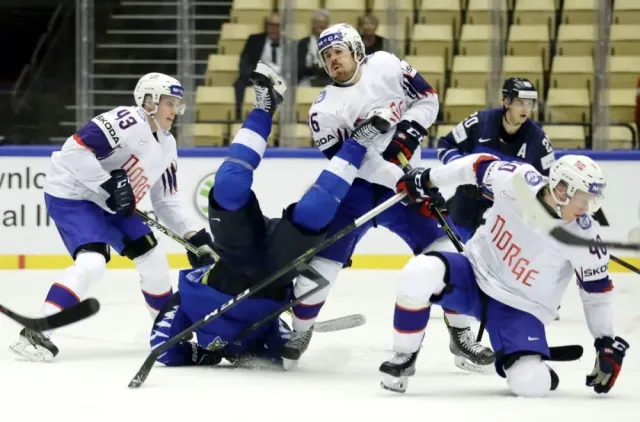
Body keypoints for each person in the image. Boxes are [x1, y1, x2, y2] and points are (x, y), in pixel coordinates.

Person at [149, 61, 391, 368]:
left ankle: (265, 106)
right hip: (275, 271)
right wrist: (251, 353)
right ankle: (358, 141)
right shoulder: (262, 333)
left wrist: (200, 355)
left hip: (232, 256)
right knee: (316, 210)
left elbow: (161, 347)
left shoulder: (185, 303)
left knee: (228, 185)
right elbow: (285, 357)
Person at [286, 23, 495, 372]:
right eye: (325, 56)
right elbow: (350, 162)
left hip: (406, 183)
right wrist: (402, 178)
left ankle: (461, 335)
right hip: (358, 189)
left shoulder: (387, 65)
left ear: (356, 50)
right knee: (320, 264)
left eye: (337, 51)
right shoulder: (323, 110)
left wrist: (410, 133)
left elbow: (428, 98)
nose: (332, 60)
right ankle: (299, 332)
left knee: (445, 256)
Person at [382, 152, 630, 396]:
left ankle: (530, 358)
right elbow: (476, 164)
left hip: (520, 309)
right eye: (583, 199)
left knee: (531, 385)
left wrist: (605, 341)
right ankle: (404, 355)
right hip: (474, 274)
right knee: (419, 272)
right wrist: (428, 179)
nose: (587, 208)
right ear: (561, 190)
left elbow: (596, 292)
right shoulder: (518, 181)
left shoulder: (583, 236)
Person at [10, 73, 215, 362]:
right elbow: (74, 150)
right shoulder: (127, 120)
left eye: (177, 104)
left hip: (111, 204)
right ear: (149, 101)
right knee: (93, 263)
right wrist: (107, 184)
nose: (175, 110)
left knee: (153, 255)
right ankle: (38, 331)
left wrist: (193, 236)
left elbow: (166, 200)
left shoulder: (167, 145)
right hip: (73, 195)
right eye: (170, 102)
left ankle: (165, 332)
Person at [437, 78, 556, 242]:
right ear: (506, 102)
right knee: (455, 244)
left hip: (508, 209)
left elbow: (549, 183)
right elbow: (446, 145)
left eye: (529, 103)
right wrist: (461, 173)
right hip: (468, 198)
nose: (526, 109)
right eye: (520, 102)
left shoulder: (539, 140)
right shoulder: (480, 122)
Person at [233, 12, 284, 119]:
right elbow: (245, 62)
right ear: (266, 26)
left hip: (280, 78)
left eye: (277, 26)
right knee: (240, 83)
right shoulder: (254, 40)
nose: (274, 29)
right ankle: (238, 115)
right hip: (258, 77)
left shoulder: (289, 44)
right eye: (271, 25)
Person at [297, 9, 332, 87]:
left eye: (324, 23)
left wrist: (312, 67)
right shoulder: (303, 43)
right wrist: (320, 69)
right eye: (319, 22)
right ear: (313, 25)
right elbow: (300, 68)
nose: (322, 25)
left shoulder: (333, 43)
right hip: (308, 81)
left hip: (328, 81)